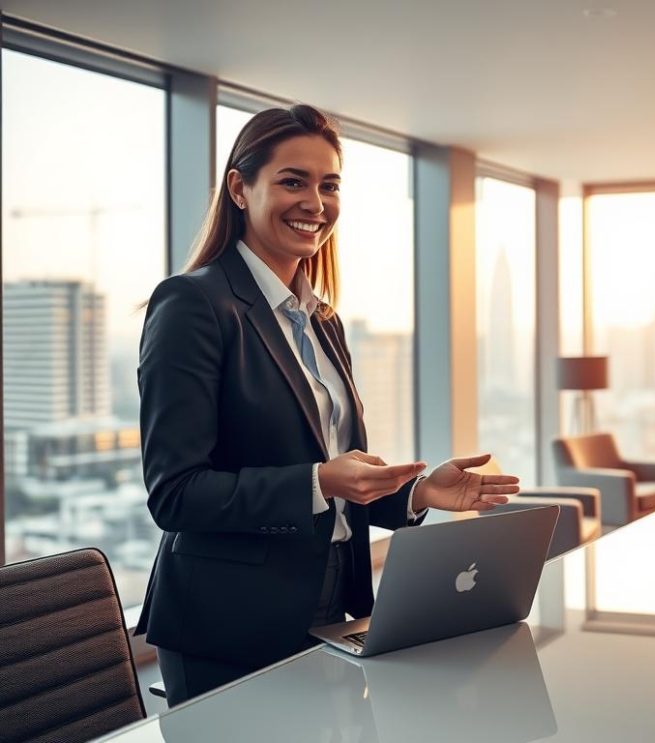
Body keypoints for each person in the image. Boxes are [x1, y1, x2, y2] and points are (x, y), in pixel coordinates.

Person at [135, 104, 520, 705]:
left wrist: (416, 493)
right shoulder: (194, 304)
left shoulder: (321, 320)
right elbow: (176, 493)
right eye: (293, 180)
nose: (315, 202)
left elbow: (332, 469)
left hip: (335, 600)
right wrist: (319, 481)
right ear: (240, 188)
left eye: (329, 184)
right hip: (229, 623)